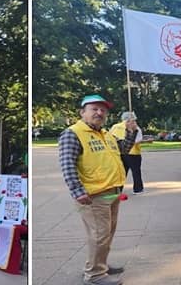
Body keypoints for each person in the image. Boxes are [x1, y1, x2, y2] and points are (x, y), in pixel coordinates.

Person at [58, 94, 137, 285]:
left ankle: (100, 265)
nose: (99, 113)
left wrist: (131, 132)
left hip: (112, 191)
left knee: (107, 233)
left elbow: (123, 149)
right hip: (93, 195)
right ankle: (94, 275)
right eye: (94, 109)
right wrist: (77, 191)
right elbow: (67, 163)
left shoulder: (105, 133)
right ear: (82, 112)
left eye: (103, 110)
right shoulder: (73, 133)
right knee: (100, 235)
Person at [109, 111, 144, 194]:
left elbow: (110, 137)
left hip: (120, 153)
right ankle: (138, 189)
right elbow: (138, 140)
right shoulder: (136, 128)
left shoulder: (115, 126)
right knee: (136, 172)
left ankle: (118, 189)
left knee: (121, 172)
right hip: (134, 153)